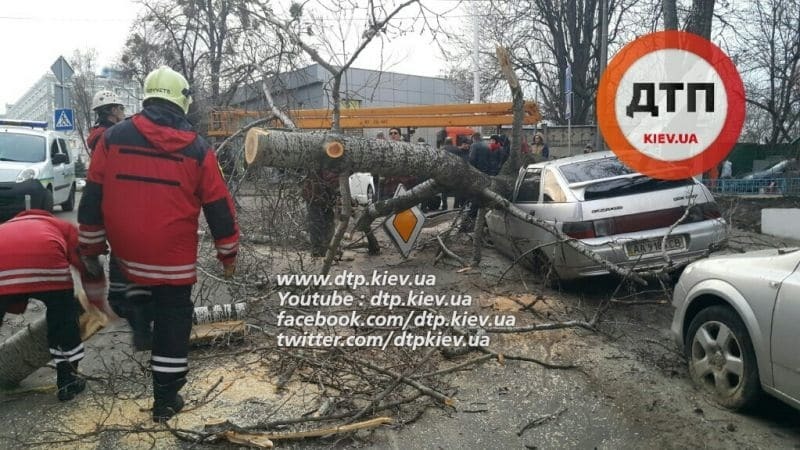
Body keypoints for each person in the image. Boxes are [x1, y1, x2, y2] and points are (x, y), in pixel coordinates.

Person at [78, 66, 239, 422]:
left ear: (148, 95)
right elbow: (218, 207)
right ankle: (165, 400)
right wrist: (228, 254)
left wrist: (90, 248)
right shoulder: (199, 149)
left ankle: (136, 308)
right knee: (173, 325)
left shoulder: (112, 138)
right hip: (174, 262)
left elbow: (92, 197)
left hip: (127, 256)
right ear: (182, 100)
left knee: (130, 287)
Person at [0, 209, 107, 402]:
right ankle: (68, 382)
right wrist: (95, 301)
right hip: (49, 267)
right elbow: (87, 262)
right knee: (63, 321)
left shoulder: (5, 228)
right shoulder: (61, 226)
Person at [86, 90, 153, 352]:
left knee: (121, 249)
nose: (123, 113)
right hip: (119, 200)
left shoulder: (99, 136)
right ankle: (124, 301)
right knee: (126, 251)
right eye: (120, 109)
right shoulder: (110, 137)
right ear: (112, 110)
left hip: (110, 201)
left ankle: (121, 299)